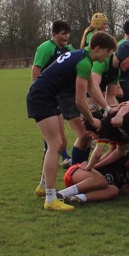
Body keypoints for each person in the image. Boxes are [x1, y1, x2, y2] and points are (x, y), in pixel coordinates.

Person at [27, 31, 117, 211]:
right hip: (41, 97)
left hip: (49, 97)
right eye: (108, 52)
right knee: (55, 146)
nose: (108, 56)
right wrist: (92, 120)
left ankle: (43, 187)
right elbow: (80, 101)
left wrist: (107, 109)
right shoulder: (84, 63)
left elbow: (92, 88)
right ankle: (50, 198)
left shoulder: (84, 57)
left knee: (61, 144)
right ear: (98, 48)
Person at [31, 20, 75, 168]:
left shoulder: (69, 49)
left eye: (68, 33)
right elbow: (36, 69)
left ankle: (61, 156)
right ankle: (58, 158)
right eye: (63, 33)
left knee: (57, 129)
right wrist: (37, 90)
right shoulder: (46, 48)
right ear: (54, 34)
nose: (66, 36)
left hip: (60, 94)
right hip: (47, 95)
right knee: (53, 129)